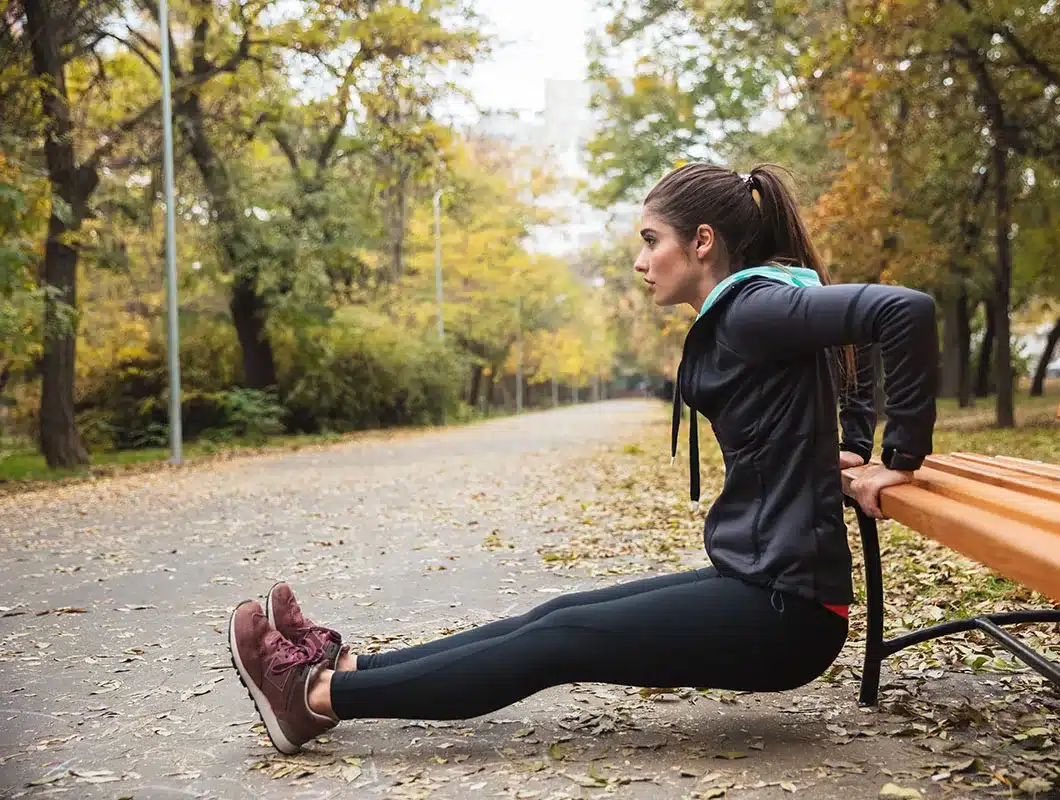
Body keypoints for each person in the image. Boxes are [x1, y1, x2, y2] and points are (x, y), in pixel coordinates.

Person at [226, 162, 938, 755]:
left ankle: (313, 698)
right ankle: (348, 668)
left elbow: (903, 311)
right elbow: (849, 345)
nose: (637, 260)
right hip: (764, 581)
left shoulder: (754, 310)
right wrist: (849, 439)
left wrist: (896, 456)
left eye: (649, 240)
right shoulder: (763, 304)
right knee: (557, 614)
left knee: (559, 641)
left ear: (701, 242)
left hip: (790, 611)